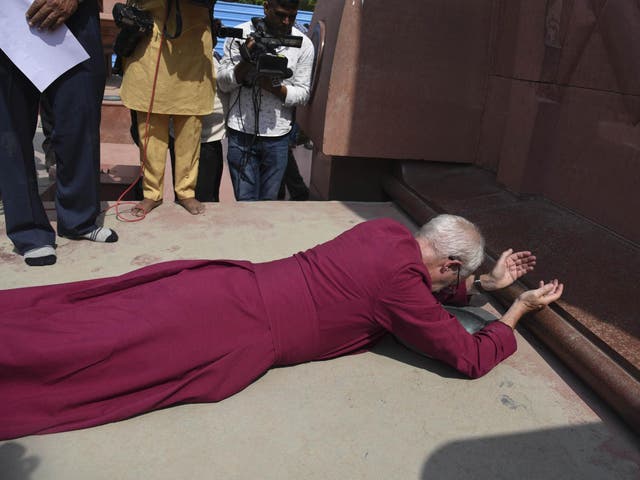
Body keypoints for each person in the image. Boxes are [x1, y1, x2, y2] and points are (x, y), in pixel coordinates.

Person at [0, 214, 563, 440]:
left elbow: (417, 290)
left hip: (224, 287)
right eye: (453, 279)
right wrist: (515, 311)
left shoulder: (385, 231)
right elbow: (466, 358)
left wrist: (486, 284)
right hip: (229, 331)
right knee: (85, 359)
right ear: (447, 265)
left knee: (86, 317)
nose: (444, 289)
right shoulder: (403, 290)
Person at [0, 0, 118, 267]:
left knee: (81, 112)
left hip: (76, 16)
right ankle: (28, 231)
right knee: (10, 129)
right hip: (7, 16)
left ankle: (79, 219)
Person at [120, 0, 215, 217]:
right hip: (151, 44)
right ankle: (151, 193)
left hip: (193, 46)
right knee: (150, 129)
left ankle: (186, 191)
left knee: (190, 129)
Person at [217, 0, 314, 200]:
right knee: (245, 201)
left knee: (268, 205)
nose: (287, 22)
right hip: (240, 133)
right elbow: (223, 83)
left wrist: (274, 88)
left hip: (278, 137)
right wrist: (245, 64)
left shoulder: (303, 44)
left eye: (292, 16)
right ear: (266, 7)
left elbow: (304, 93)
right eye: (280, 14)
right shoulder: (240, 35)